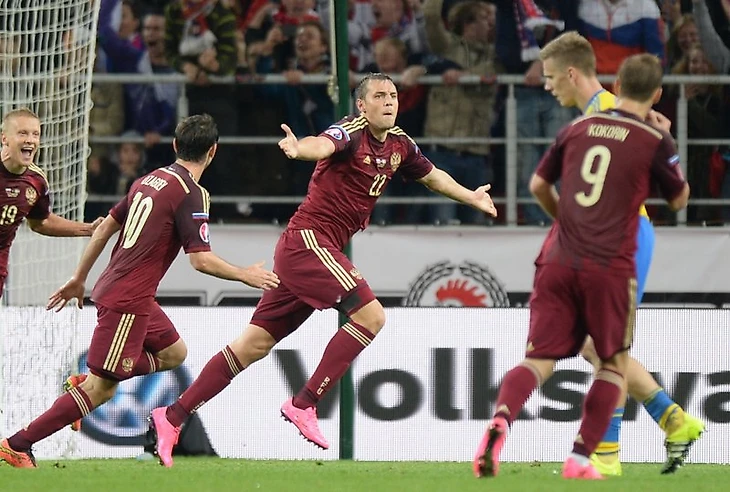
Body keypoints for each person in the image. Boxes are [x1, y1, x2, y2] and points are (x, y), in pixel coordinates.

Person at [147, 73, 498, 468]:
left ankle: (172, 416)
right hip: (309, 242)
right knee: (371, 316)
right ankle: (304, 403)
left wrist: (471, 197)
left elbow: (432, 177)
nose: (389, 102)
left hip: (308, 251)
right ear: (361, 105)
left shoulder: (400, 144)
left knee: (252, 346)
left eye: (393, 95)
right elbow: (323, 143)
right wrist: (300, 149)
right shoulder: (351, 131)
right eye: (379, 96)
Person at [0, 114, 280, 468]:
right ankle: (17, 444)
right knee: (102, 390)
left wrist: (80, 277)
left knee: (174, 353)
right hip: (127, 301)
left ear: (175, 145)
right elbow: (200, 261)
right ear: (213, 151)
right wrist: (245, 274)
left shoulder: (149, 179)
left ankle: (90, 378)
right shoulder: (192, 194)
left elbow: (105, 227)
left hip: (129, 292)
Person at [473, 53, 690, 480]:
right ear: (657, 94)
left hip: (558, 256)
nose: (548, 85)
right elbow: (679, 200)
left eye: (551, 76)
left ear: (617, 84)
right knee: (611, 361)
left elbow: (537, 184)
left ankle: (501, 419)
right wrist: (669, 148)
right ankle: (583, 456)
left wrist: (567, 221)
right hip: (609, 262)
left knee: (538, 359)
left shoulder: (577, 127)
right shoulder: (651, 137)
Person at [538, 31, 705, 475]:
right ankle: (673, 421)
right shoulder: (602, 110)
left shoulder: (608, 111)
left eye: (551, 76)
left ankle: (610, 452)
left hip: (627, 236)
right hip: (611, 237)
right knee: (594, 346)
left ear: (571, 73)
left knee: (602, 345)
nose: (547, 85)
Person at [0, 108, 103, 299]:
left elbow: (41, 222)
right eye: (23, 133)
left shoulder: (36, 181)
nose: (30, 140)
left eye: (35, 134)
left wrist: (89, 229)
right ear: (4, 138)